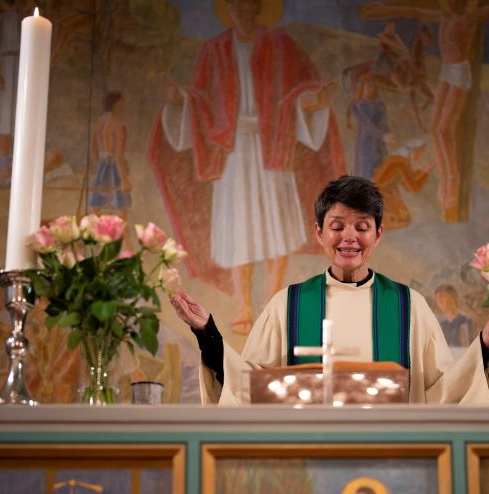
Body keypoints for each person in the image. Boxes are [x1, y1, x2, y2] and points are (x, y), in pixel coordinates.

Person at [170, 176, 489, 405]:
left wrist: (483, 347)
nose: (349, 237)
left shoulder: (409, 306)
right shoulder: (288, 305)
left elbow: (442, 391)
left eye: (361, 227)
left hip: (394, 462)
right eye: (337, 227)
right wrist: (208, 333)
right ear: (319, 233)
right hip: (304, 459)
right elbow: (247, 389)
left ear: (378, 234)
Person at [149, 0, 345, 335]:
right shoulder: (215, 50)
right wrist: (180, 100)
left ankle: (273, 301)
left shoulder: (281, 45)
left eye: (248, 3)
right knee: (238, 226)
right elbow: (201, 100)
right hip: (234, 150)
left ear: (257, 7)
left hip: (275, 144)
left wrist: (313, 102)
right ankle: (243, 307)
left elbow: (300, 93)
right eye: (235, 4)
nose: (241, 8)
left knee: (276, 224)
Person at [361, 0, 489, 222]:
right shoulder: (443, 17)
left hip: (460, 72)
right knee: (434, 129)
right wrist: (381, 10)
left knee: (445, 128)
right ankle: (445, 175)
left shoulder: (468, 18)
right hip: (447, 71)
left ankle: (452, 177)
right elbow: (411, 9)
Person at [0, 2, 22, 166]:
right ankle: (1, 159)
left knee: (18, 112)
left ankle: (15, 160)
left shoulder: (25, 18)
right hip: (4, 67)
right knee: (3, 115)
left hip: (21, 65)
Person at [89, 91, 132, 218]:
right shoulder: (119, 126)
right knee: (122, 206)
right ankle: (120, 235)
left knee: (96, 205)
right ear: (116, 104)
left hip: (102, 165)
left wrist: (98, 165)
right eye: (121, 103)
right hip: (115, 168)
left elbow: (93, 147)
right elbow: (118, 156)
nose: (123, 106)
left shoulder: (98, 123)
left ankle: (96, 232)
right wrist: (124, 179)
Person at [348, 76, 391, 179]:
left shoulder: (380, 104)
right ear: (362, 88)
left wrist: (387, 133)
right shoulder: (357, 106)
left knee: (381, 172)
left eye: (372, 87)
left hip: (379, 144)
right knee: (366, 172)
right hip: (365, 144)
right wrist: (382, 135)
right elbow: (366, 124)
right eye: (367, 87)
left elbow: (383, 123)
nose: (370, 89)